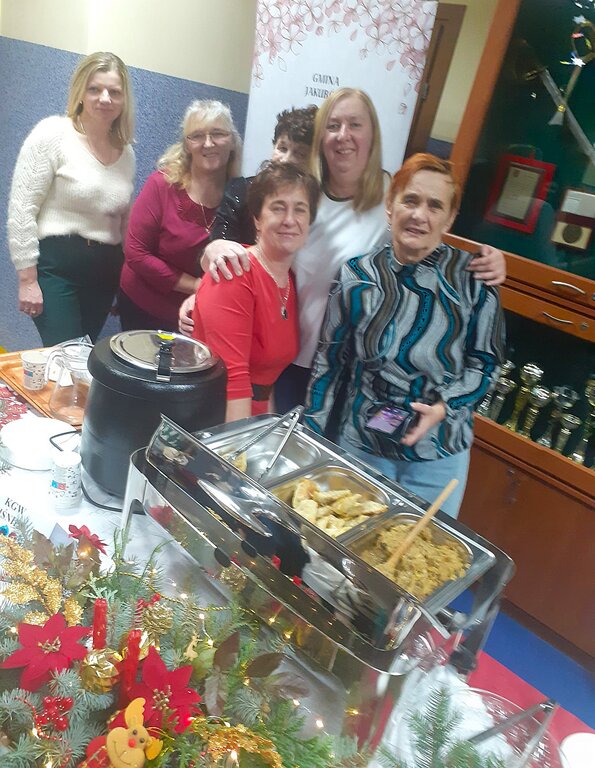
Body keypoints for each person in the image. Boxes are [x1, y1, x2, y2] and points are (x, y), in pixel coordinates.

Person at [182, 88, 506, 411]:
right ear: (321, 138)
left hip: (346, 368)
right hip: (278, 359)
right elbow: (253, 247)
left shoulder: (389, 198)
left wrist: (482, 258)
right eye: (333, 125)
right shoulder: (301, 192)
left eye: (355, 124)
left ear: (373, 135)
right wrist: (211, 262)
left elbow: (425, 240)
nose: (343, 135)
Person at [304, 153, 506, 518]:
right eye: (410, 200)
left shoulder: (474, 279)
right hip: (363, 447)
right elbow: (330, 361)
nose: (419, 215)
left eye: (434, 205)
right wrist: (311, 437)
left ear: (450, 218)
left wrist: (445, 406)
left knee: (419, 550)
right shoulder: (357, 275)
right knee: (348, 543)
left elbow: (486, 363)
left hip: (438, 457)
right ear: (390, 205)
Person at [7, 52, 135, 346]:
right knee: (66, 356)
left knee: (83, 356)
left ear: (123, 99)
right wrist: (27, 279)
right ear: (80, 92)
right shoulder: (52, 135)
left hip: (105, 272)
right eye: (95, 89)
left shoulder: (126, 152)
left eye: (114, 92)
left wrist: (124, 281)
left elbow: (123, 222)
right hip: (56, 269)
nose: (105, 98)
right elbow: (22, 209)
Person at [192, 162, 319, 422]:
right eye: (278, 208)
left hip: (255, 416)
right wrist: (239, 445)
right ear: (257, 220)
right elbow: (233, 380)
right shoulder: (235, 273)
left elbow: (265, 381)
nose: (290, 220)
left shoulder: (291, 281)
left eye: (300, 209)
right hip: (218, 419)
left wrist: (269, 428)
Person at [177, 105, 317, 334]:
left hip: (294, 315)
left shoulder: (317, 202)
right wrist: (205, 285)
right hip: (243, 303)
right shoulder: (241, 191)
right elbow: (213, 254)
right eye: (282, 148)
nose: (286, 159)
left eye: (300, 154)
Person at [118, 100, 241, 331]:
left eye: (218, 133)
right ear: (186, 145)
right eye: (197, 136)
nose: (208, 143)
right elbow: (136, 253)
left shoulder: (240, 197)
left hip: (199, 312)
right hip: (144, 305)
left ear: (233, 141)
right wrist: (195, 285)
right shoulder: (162, 185)